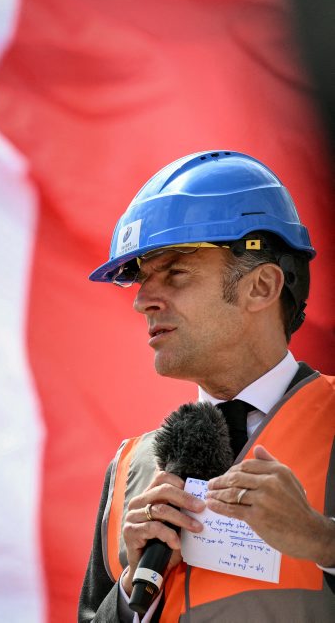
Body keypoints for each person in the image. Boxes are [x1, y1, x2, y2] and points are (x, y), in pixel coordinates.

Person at [77, 150, 335, 621]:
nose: (143, 302)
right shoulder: (132, 467)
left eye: (175, 273)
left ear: (262, 286)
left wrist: (323, 541)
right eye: (141, 279)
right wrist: (132, 595)